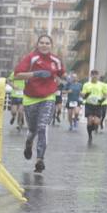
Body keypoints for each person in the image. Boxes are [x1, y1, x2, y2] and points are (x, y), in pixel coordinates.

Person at [10, 34, 67, 173]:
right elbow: (17, 74)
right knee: (32, 131)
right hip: (30, 98)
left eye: (47, 43)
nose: (44, 45)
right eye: (41, 42)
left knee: (43, 127)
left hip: (48, 98)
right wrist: (35, 74)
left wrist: (60, 80)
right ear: (37, 44)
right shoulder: (31, 58)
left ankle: (39, 160)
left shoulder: (56, 60)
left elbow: (61, 74)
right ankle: (28, 144)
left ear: (51, 45)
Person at [81, 70, 107, 141]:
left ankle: (93, 128)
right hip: (89, 105)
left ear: (98, 76)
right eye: (93, 74)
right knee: (89, 122)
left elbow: (106, 94)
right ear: (90, 75)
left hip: (98, 105)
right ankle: (89, 136)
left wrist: (102, 100)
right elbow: (83, 95)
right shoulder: (86, 85)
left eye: (96, 75)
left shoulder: (102, 85)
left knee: (96, 122)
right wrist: (85, 95)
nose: (94, 76)